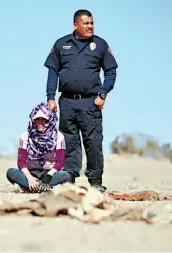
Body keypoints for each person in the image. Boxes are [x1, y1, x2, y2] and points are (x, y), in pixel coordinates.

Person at [43, 9, 118, 192]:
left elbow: (111, 71)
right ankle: (69, 178)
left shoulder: (100, 45)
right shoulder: (61, 44)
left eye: (92, 23)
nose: (90, 26)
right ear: (75, 25)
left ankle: (95, 182)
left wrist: (102, 94)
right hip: (67, 102)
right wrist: (50, 97)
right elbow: (53, 72)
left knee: (93, 142)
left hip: (90, 103)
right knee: (69, 141)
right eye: (86, 23)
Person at [6, 102, 71, 193]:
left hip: (50, 173)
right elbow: (21, 162)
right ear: (33, 121)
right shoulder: (25, 136)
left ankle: (29, 187)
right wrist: (30, 178)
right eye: (37, 119)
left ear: (49, 120)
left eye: (43, 119)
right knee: (11, 172)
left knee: (65, 175)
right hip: (30, 172)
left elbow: (60, 162)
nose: (40, 122)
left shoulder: (59, 136)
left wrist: (48, 176)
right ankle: (41, 187)